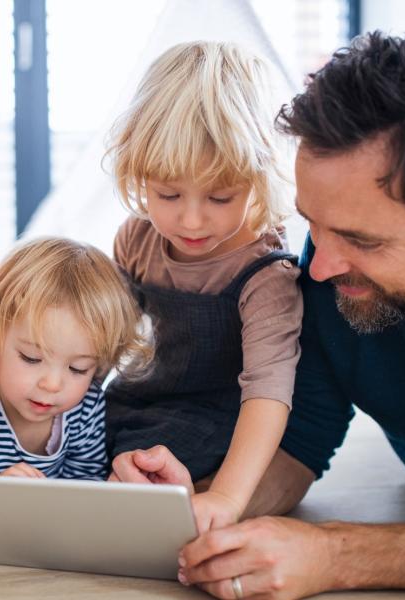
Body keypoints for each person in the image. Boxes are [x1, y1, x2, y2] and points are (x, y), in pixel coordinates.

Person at [111, 31, 405, 598]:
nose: (321, 267)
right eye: (314, 225)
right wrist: (196, 511)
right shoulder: (328, 270)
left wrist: (338, 555)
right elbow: (300, 442)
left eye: (361, 239)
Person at [103, 41, 302, 531]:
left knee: (151, 469)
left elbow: (268, 394)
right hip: (139, 397)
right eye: (167, 193)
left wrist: (228, 500)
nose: (190, 220)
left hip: (214, 419)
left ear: (259, 178)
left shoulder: (266, 275)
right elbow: (101, 336)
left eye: (219, 195)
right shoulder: (136, 238)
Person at [0, 237, 151, 543]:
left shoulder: (86, 403)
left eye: (78, 368)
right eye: (32, 358)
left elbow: (86, 484)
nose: (53, 384)